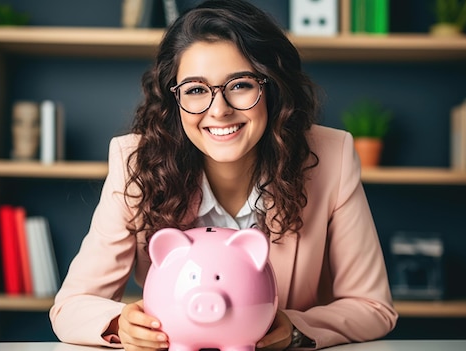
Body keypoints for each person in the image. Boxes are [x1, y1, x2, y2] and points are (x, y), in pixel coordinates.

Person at [49, 0, 398, 349]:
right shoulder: (136, 162)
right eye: (196, 90)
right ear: (175, 99)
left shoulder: (330, 158)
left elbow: (373, 307)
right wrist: (120, 322)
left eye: (240, 85)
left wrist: (296, 328)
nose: (219, 110)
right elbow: (71, 306)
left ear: (272, 89)